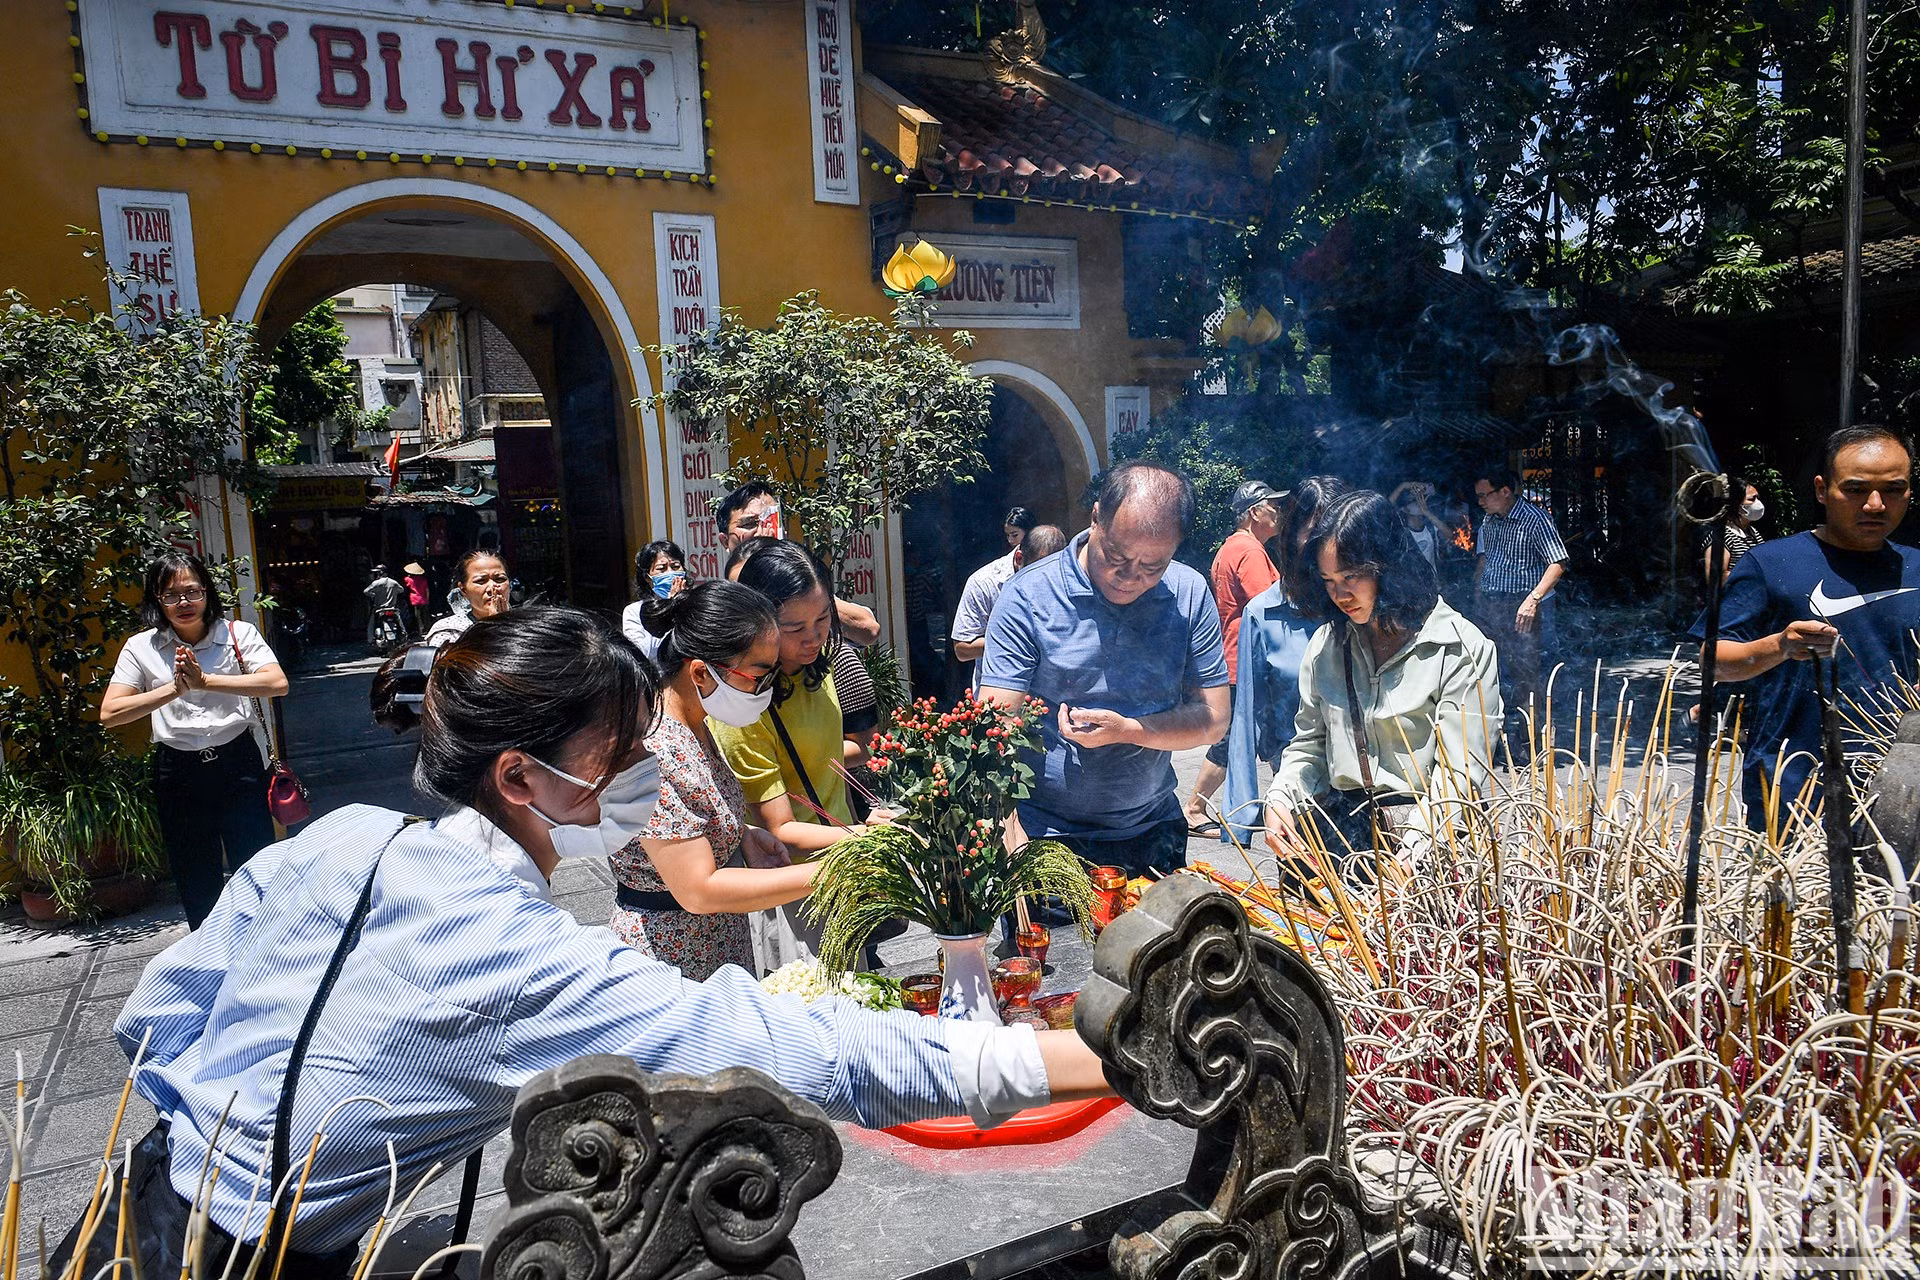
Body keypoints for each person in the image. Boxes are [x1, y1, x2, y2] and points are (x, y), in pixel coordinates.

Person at [68, 608, 1103, 1278]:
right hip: (256, 1259)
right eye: (620, 757)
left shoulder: (340, 836)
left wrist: (223, 1138)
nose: (643, 778)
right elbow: (796, 1046)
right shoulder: (515, 959)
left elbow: (159, 1005)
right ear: (520, 778)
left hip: (135, 1196)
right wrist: (1089, 1052)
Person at [979, 461, 1231, 878]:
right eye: (1116, 556)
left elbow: (1213, 719)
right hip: (1048, 837)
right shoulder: (1027, 596)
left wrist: (1129, 731)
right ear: (1096, 517)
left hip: (1154, 828)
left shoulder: (1187, 592)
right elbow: (993, 724)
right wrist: (1005, 823)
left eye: (1153, 566)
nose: (1131, 577)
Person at [1265, 490, 1502, 870]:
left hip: (1433, 848)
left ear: (1388, 567)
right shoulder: (1328, 643)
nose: (1340, 594)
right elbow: (1309, 744)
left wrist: (1414, 852)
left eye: (1351, 577)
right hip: (1341, 842)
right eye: (1328, 580)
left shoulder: (1459, 649)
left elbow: (1460, 774)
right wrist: (1281, 798)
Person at [1701, 425, 1920, 829]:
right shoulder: (1771, 563)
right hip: (1793, 779)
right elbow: (1714, 661)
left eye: (1893, 489)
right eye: (1855, 490)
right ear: (1822, 490)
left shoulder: (1917, 568)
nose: (1875, 504)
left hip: (1903, 787)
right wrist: (1780, 645)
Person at [620, 581, 820, 978]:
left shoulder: (698, 725)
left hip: (719, 943)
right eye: (757, 677)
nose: (765, 690)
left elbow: (683, 824)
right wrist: (829, 873)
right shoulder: (657, 748)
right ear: (700, 672)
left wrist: (740, 835)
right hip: (672, 960)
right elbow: (698, 889)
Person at [100, 551, 289, 929]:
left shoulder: (238, 634)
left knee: (258, 869)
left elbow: (276, 683)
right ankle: (207, 959)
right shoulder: (142, 647)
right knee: (195, 875)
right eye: (170, 595)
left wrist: (206, 683)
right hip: (179, 771)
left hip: (239, 765)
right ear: (157, 600)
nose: (183, 603)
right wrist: (174, 690)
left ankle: (266, 954)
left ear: (207, 593)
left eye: (192, 591)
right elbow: (110, 713)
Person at [714, 542, 868, 965]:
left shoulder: (820, 665)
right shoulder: (743, 703)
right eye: (795, 627)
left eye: (822, 619)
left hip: (840, 874)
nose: (814, 637)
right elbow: (779, 829)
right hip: (793, 891)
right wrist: (870, 839)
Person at [1222, 476, 1350, 846]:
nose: (1324, 547)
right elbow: (1246, 717)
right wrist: (1244, 815)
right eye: (1312, 533)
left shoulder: (1363, 607)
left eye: (1335, 532)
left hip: (1373, 796)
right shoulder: (1263, 613)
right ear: (1291, 534)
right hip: (1297, 801)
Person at [1184, 479, 1284, 836]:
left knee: (1263, 735)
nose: (1278, 512)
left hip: (1238, 658)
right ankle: (1195, 808)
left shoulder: (1232, 547)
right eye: (1273, 505)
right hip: (1248, 662)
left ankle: (1283, 804)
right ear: (1255, 512)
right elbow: (1268, 604)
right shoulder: (1250, 551)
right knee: (1232, 739)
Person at [713, 481, 882, 646]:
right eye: (749, 524)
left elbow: (868, 630)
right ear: (725, 540)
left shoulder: (805, 583)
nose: (762, 531)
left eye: (770, 520)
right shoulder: (716, 602)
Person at [1471, 466, 1569, 732]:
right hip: (1493, 605)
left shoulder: (1535, 519)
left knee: (1526, 674)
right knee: (1491, 672)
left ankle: (1532, 737)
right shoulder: (1489, 520)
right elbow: (1488, 561)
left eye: (1484, 495)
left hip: (1522, 607)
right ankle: (1499, 733)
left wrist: (1533, 599)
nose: (1480, 501)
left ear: (1505, 491)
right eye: (1478, 496)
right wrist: (1479, 595)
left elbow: (1557, 562)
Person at [621, 538, 689, 661]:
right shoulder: (634, 612)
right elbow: (643, 654)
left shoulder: (696, 603)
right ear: (647, 578)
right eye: (661, 569)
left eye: (675, 567)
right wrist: (669, 606)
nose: (670, 573)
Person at [424, 549, 510, 646]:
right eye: (481, 581)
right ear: (464, 590)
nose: (492, 588)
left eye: (500, 579)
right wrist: (494, 627)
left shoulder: (525, 625)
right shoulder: (450, 634)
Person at [1703, 478, 1765, 584]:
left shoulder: (1753, 532)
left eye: (1757, 498)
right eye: (1752, 499)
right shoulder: (1722, 536)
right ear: (1737, 504)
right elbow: (1715, 576)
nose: (1757, 503)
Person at [1389, 481, 1457, 574]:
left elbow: (1449, 535)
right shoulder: (1401, 531)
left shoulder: (1430, 527)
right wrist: (1403, 485)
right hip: (1410, 583)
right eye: (1414, 500)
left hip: (1432, 583)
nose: (1419, 502)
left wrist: (1427, 513)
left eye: (1420, 499)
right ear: (1405, 509)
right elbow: (1386, 508)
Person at [362, 564, 406, 648]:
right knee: (400, 622)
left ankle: (370, 640)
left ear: (380, 573)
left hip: (379, 609)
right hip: (392, 608)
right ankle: (404, 634)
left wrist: (373, 595)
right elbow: (401, 590)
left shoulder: (376, 583)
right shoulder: (393, 582)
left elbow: (366, 591)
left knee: (371, 625)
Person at [402, 561, 430, 636]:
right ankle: (427, 629)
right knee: (425, 615)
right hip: (423, 599)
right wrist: (427, 599)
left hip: (414, 599)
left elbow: (406, 589)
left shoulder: (408, 579)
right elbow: (427, 590)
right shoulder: (424, 579)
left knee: (417, 616)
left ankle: (420, 630)